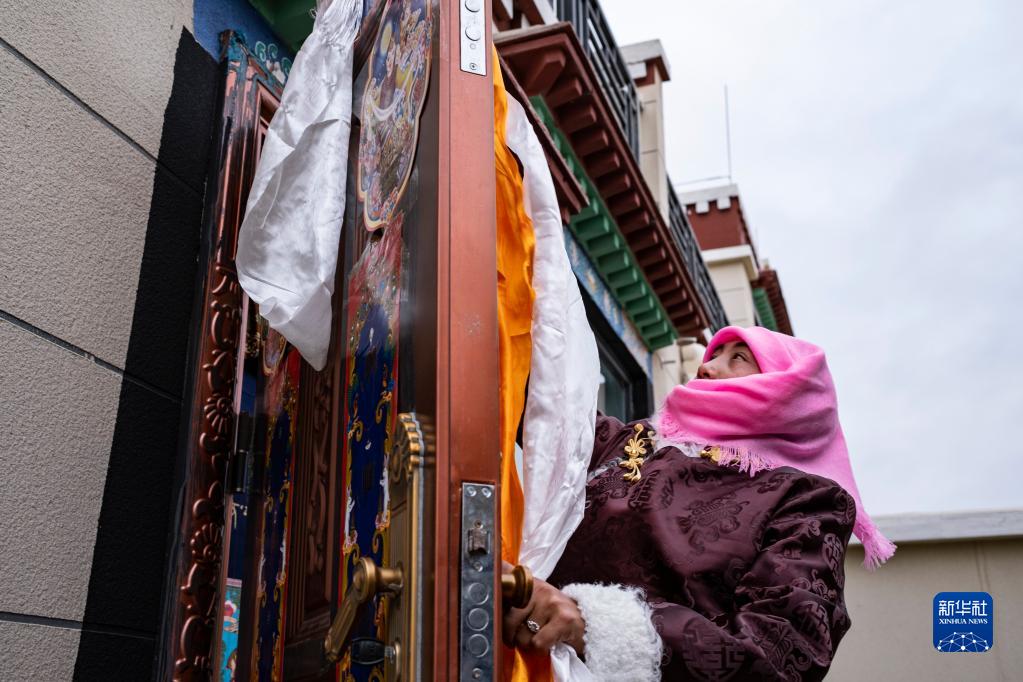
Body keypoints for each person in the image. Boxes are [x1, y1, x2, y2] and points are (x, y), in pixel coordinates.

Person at [502, 326, 895, 681]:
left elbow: (784, 652)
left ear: (789, 389)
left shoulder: (807, 499)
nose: (706, 367)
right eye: (713, 354)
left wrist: (590, 625)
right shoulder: (630, 442)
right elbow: (538, 402)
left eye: (739, 357)